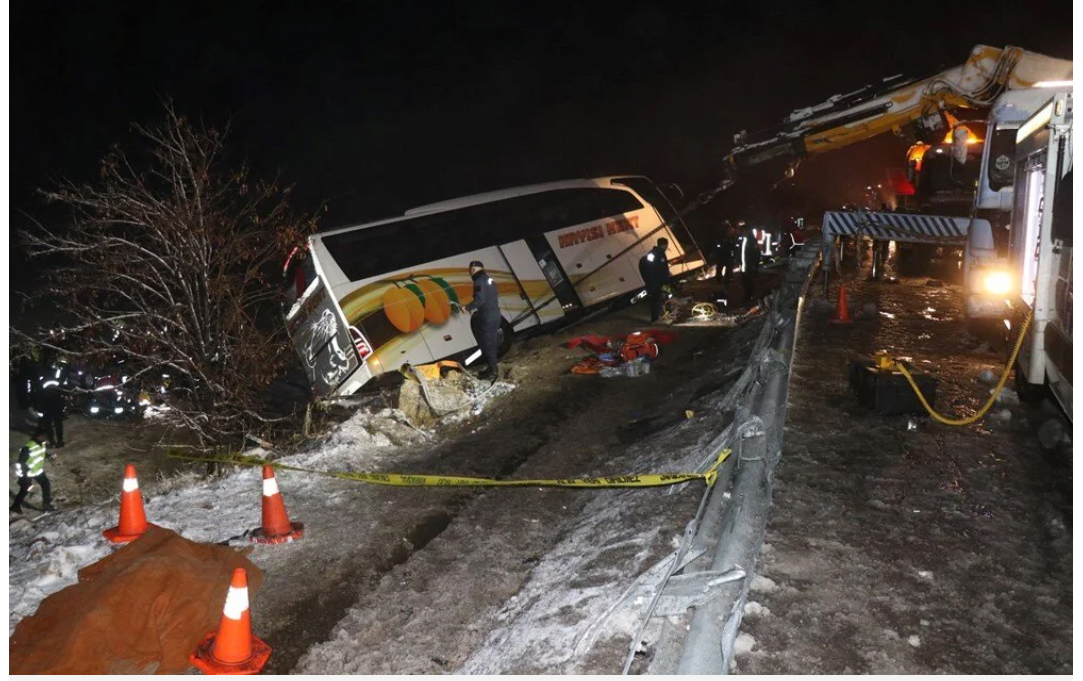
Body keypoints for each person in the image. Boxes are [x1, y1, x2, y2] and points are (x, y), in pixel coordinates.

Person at [461, 260, 501, 380]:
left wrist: (467, 307)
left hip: (487, 318)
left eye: (470, 270)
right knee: (491, 343)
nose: (470, 273)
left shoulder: (478, 281)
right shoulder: (488, 279)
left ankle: (493, 372)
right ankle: (491, 368)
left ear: (473, 269)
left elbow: (480, 300)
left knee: (487, 344)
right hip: (495, 315)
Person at [11, 430, 55, 514]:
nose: (46, 438)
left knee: (46, 485)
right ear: (39, 436)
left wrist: (49, 456)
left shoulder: (41, 443)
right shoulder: (29, 446)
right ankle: (15, 506)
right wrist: (24, 477)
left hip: (38, 471)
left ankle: (47, 505)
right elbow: (21, 462)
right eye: (45, 436)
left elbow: (40, 453)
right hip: (28, 473)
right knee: (25, 490)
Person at [638, 237, 672, 323]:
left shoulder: (651, 254)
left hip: (652, 281)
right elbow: (662, 270)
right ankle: (656, 319)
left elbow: (647, 267)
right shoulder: (659, 254)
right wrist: (665, 282)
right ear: (665, 245)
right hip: (658, 282)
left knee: (657, 299)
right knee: (657, 299)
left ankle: (659, 316)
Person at [739, 225, 761, 306]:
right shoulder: (744, 240)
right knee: (745, 282)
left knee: (749, 283)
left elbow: (756, 254)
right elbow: (742, 253)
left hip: (749, 266)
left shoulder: (751, 241)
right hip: (744, 266)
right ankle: (747, 296)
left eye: (743, 231)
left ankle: (748, 297)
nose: (742, 233)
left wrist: (754, 265)